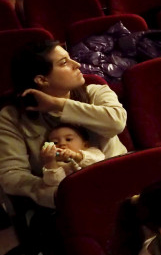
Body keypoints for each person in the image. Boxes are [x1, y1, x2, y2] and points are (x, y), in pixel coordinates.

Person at [0, 41, 127, 209]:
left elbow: (116, 123)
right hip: (64, 200)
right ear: (42, 79)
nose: (77, 64)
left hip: (119, 181)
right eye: (64, 63)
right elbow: (11, 175)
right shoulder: (12, 117)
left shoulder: (96, 92)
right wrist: (58, 193)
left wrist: (58, 105)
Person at [39, 123, 105, 187]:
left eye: (68, 139)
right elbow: (54, 182)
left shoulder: (92, 152)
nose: (62, 144)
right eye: (55, 142)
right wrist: (50, 162)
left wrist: (76, 156)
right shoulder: (57, 164)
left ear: (85, 145)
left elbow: (100, 162)